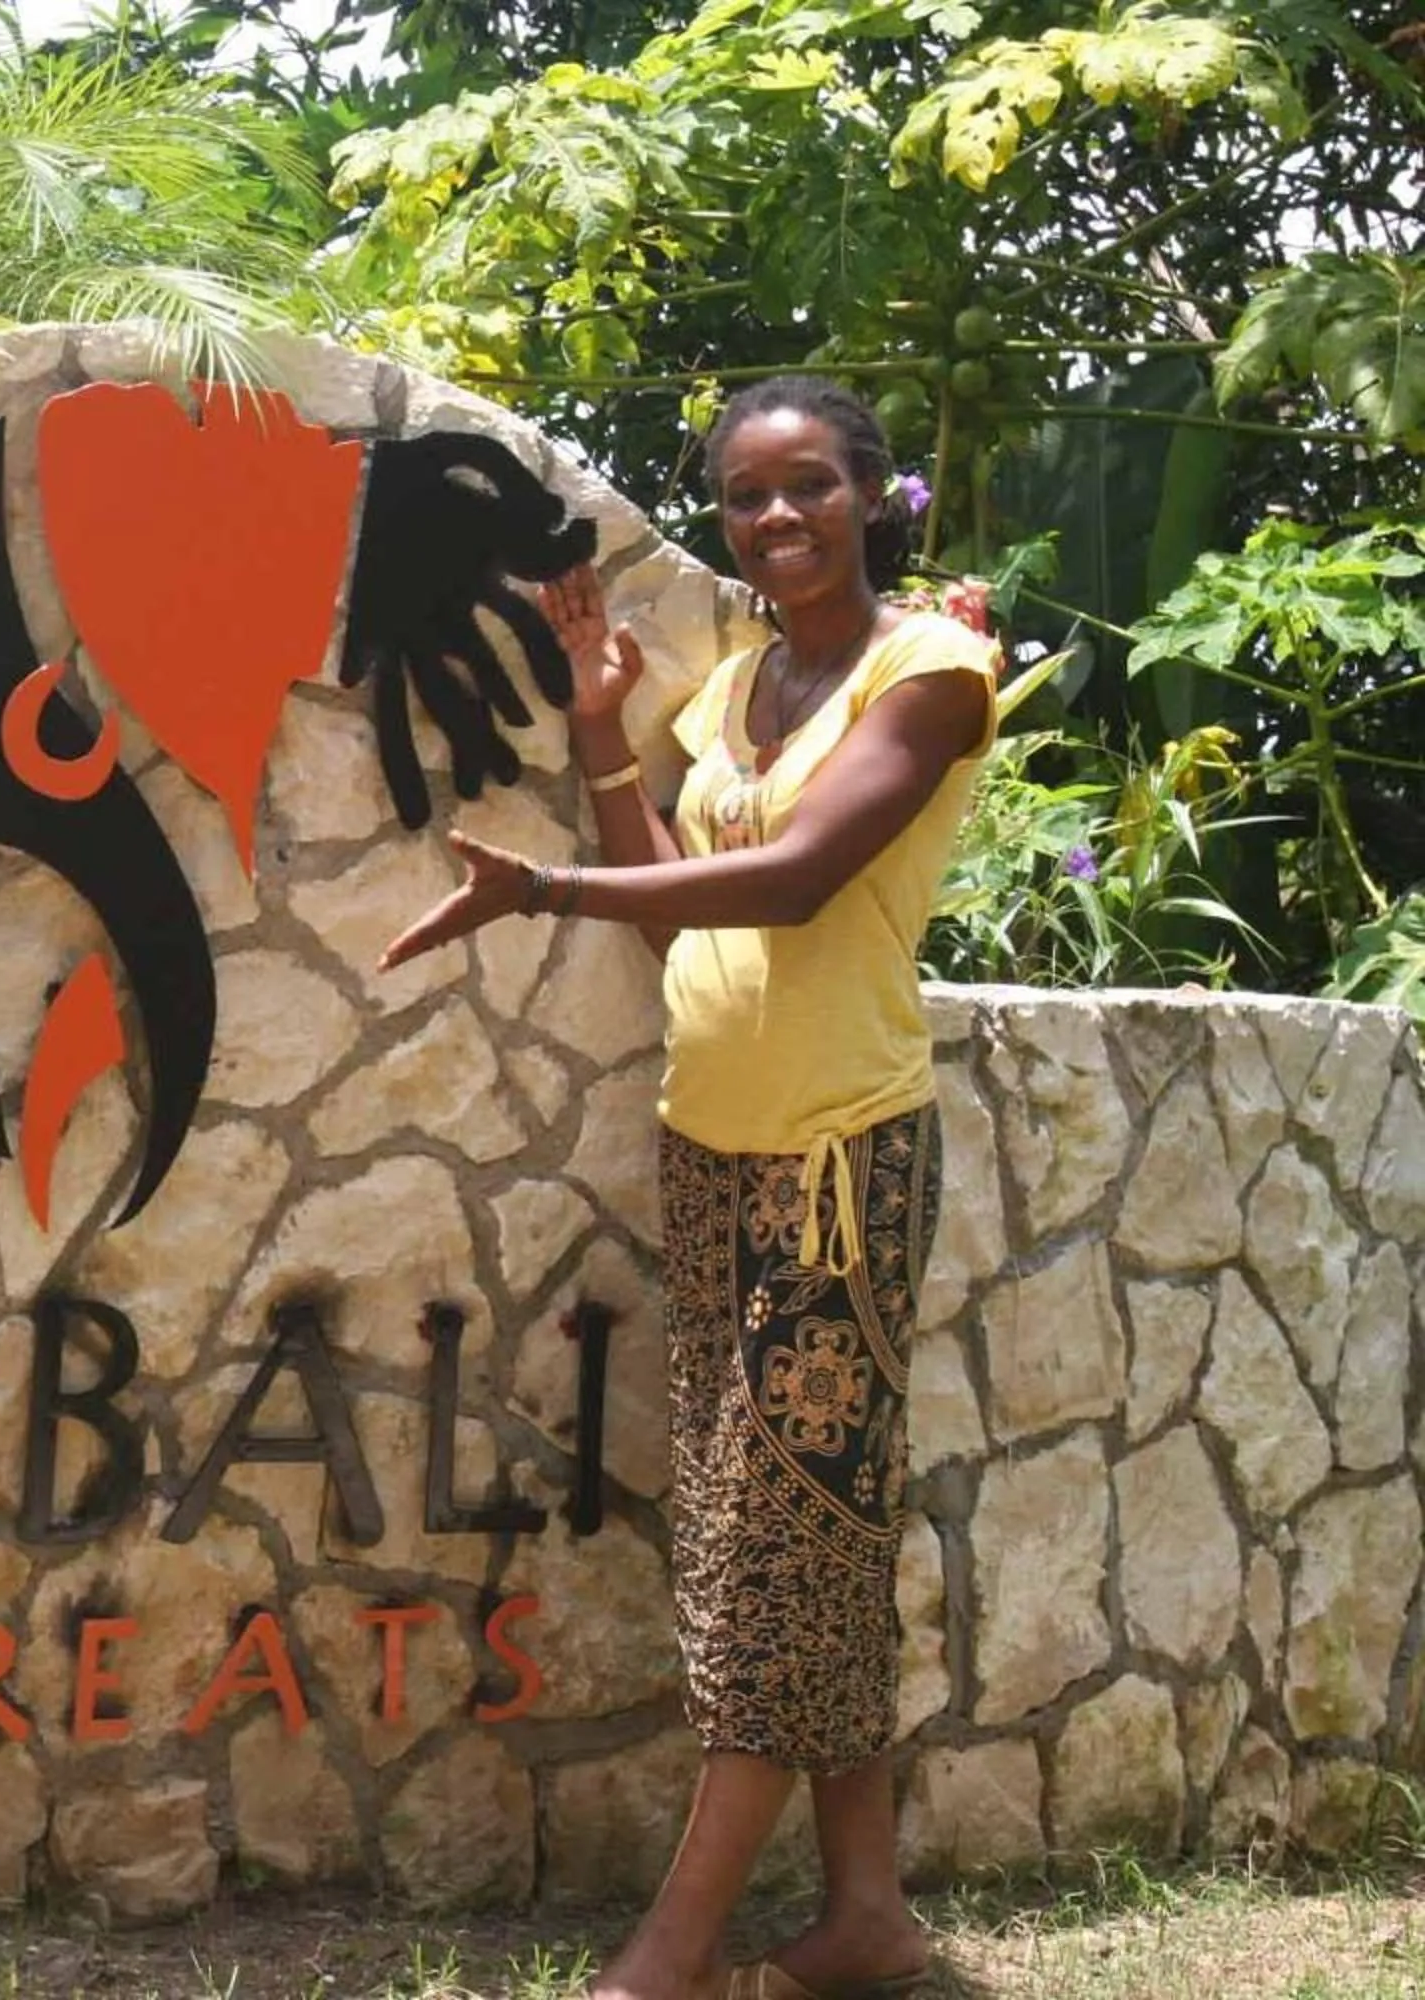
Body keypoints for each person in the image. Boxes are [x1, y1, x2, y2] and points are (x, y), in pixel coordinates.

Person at [377, 375, 999, 2000]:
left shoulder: (929, 673)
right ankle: (867, 1923)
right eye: (744, 498)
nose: (776, 519)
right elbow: (677, 916)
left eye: (807, 488)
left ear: (873, 492)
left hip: (841, 1153)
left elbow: (795, 883)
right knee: (798, 1538)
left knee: (774, 1555)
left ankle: (668, 1958)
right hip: (712, 1146)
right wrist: (599, 723)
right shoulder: (731, 690)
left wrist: (541, 891)